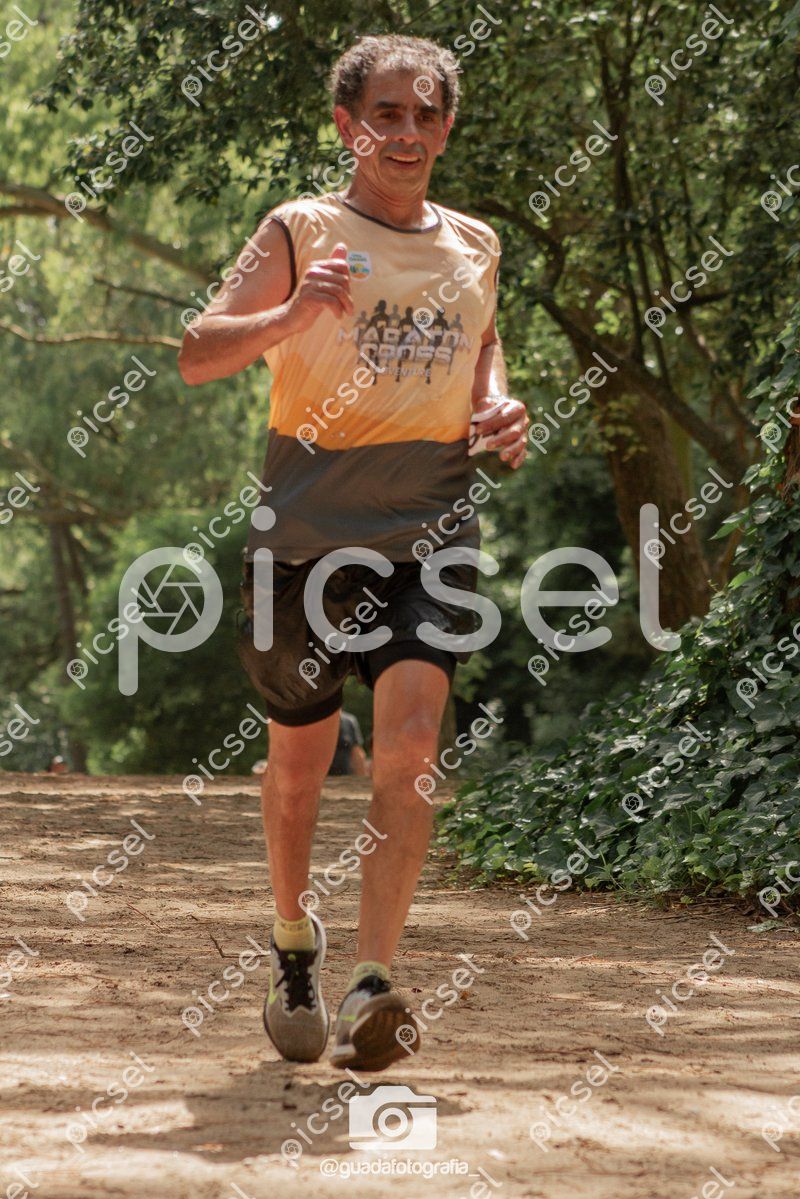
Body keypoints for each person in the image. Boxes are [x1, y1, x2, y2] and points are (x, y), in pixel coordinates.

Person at [178, 33, 529, 1072]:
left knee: (410, 748)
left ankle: (372, 981)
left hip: (430, 529)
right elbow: (198, 352)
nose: (407, 132)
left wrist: (498, 405)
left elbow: (481, 344)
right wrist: (294, 312)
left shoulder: (476, 243)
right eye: (386, 114)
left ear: (446, 127)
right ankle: (295, 940)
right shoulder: (299, 229)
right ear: (347, 125)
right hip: (304, 541)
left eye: (425, 114)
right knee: (298, 767)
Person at [328, 710, 370, 777]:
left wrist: (361, 779)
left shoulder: (348, 721)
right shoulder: (313, 718)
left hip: (344, 778)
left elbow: (356, 753)